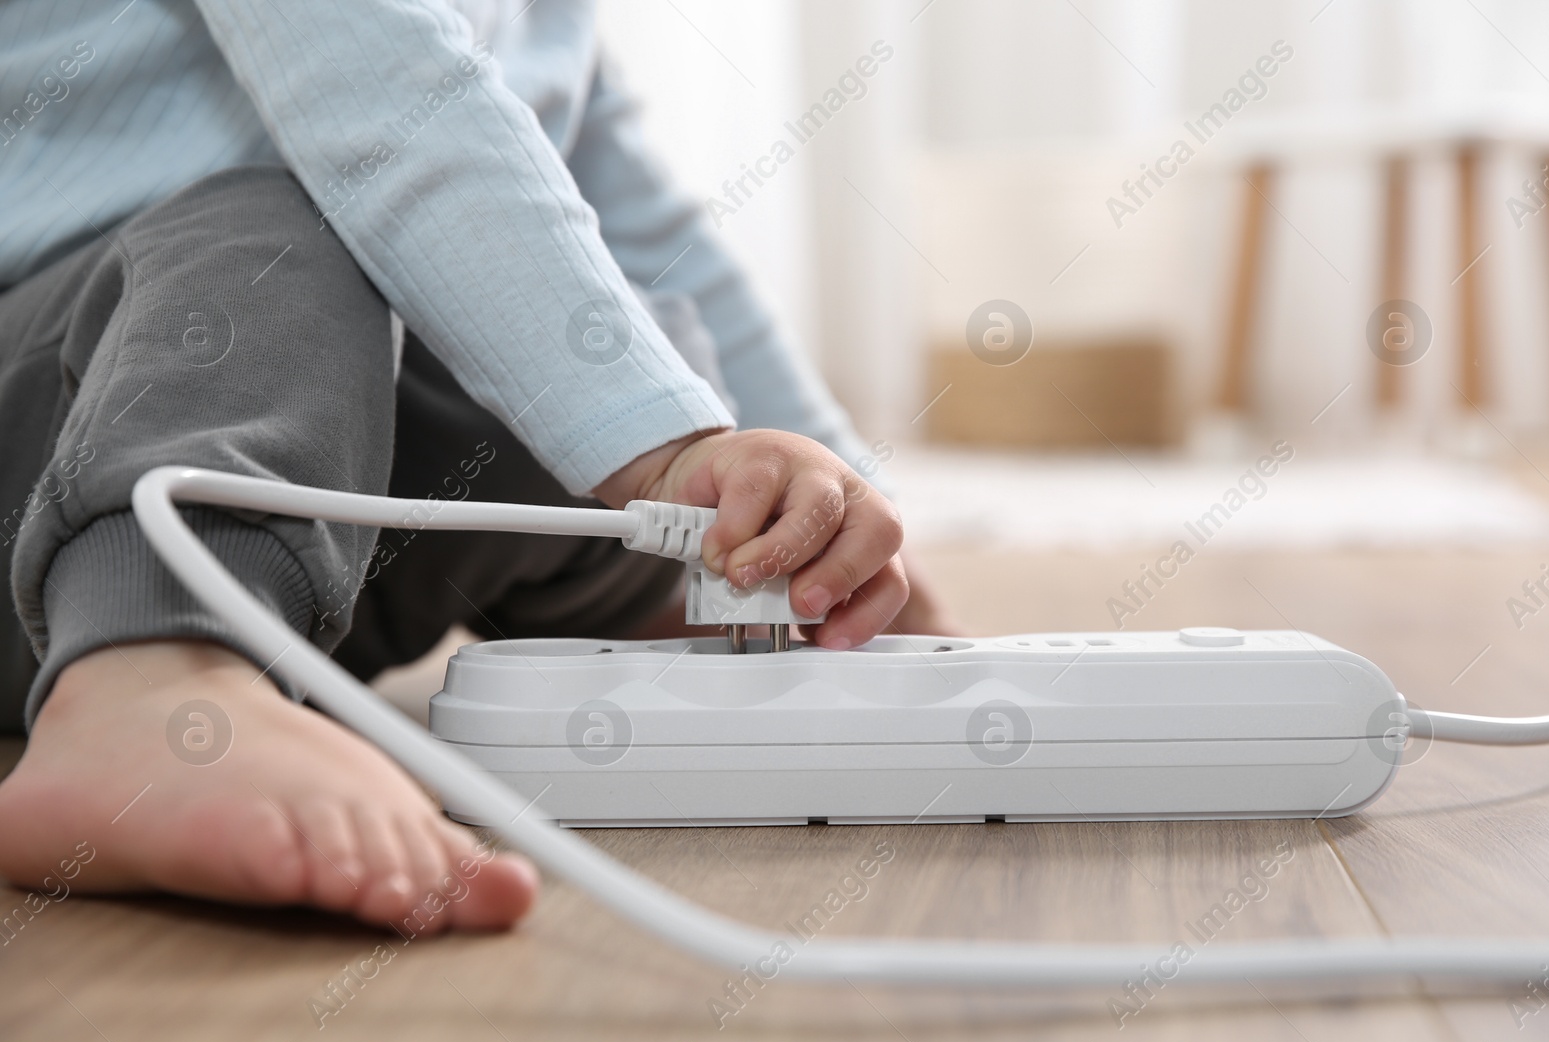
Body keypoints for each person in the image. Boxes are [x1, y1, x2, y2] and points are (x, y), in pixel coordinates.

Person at [0, 0, 959, 933]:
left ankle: (696, 600)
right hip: (58, 439)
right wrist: (664, 450)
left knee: (617, 359)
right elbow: (385, 104)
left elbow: (649, 241)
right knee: (285, 224)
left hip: (302, 532)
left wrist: (817, 511)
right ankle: (152, 676)